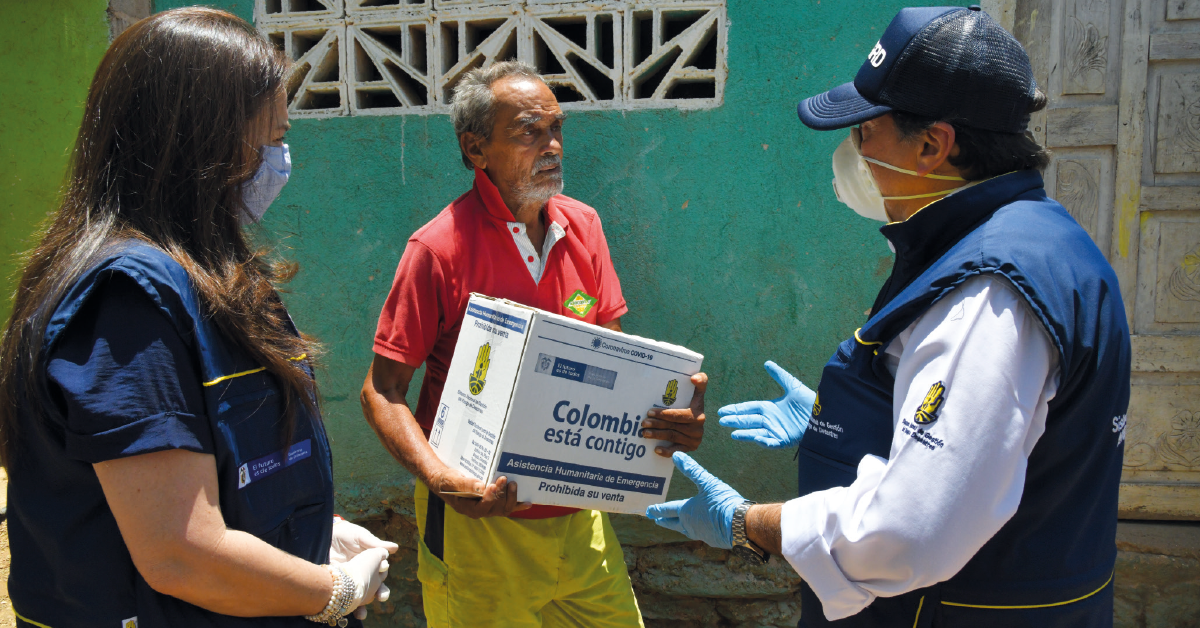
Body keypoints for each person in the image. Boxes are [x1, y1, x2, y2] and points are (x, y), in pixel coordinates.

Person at [647, 6, 1130, 628]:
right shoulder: (1038, 237)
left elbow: (905, 532)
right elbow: (998, 440)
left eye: (865, 132)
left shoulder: (989, 291)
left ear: (931, 145)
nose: (854, 152)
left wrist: (746, 523)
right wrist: (849, 431)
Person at [0, 9, 397, 627]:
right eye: (269, 140)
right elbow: (181, 552)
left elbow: (230, 466)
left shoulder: (205, 273)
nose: (279, 160)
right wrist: (335, 590)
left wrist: (315, 533)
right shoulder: (126, 302)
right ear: (201, 142)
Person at [360, 61, 708, 628]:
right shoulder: (438, 249)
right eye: (530, 131)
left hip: (580, 517)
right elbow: (382, 390)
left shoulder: (583, 226)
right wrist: (440, 480)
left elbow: (614, 360)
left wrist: (666, 420)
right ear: (476, 149)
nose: (553, 146)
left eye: (557, 128)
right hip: (480, 528)